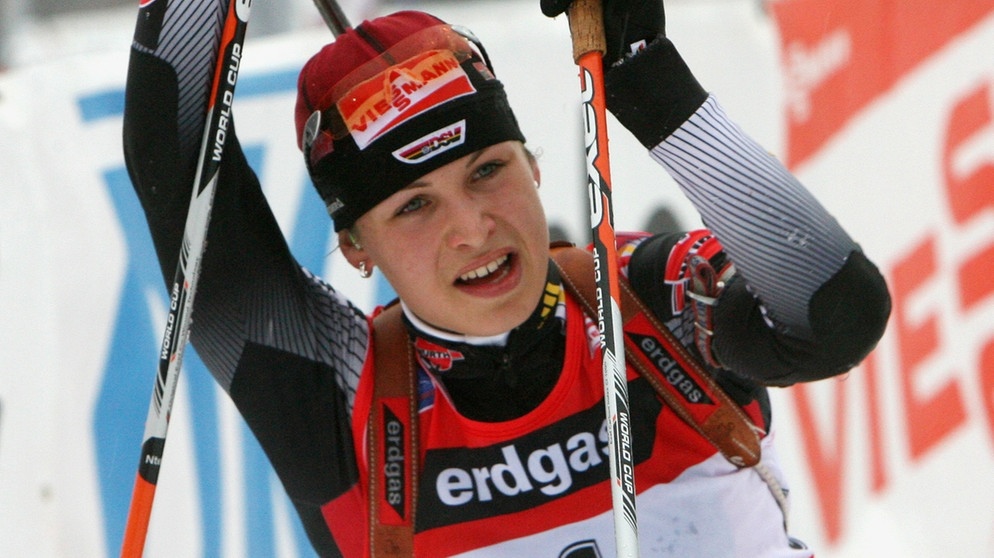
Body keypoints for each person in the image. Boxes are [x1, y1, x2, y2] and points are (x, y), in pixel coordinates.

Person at [123, 0, 891, 556]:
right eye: (414, 206)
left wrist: (647, 81)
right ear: (357, 247)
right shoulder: (334, 392)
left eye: (488, 170)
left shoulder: (646, 301)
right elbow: (169, 139)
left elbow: (836, 315)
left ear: (533, 165)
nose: (472, 227)